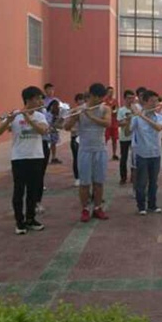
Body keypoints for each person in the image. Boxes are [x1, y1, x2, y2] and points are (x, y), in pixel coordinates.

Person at [0, 86, 48, 234]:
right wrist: (8, 121)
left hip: (36, 157)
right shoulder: (15, 115)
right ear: (29, 100)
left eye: (41, 99)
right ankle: (19, 222)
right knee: (19, 190)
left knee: (33, 191)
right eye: (38, 98)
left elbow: (43, 131)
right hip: (19, 158)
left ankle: (31, 219)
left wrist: (28, 119)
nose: (40, 101)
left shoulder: (40, 116)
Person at [64, 83, 111, 222]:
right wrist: (72, 116)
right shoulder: (80, 110)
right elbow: (66, 127)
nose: (101, 100)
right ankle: (85, 209)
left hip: (100, 149)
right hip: (84, 150)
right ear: (92, 96)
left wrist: (90, 116)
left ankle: (97, 208)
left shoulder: (105, 109)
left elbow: (107, 123)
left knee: (99, 182)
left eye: (102, 98)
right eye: (99, 97)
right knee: (84, 183)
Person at [127, 90, 162, 215]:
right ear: (145, 102)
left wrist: (142, 115)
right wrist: (129, 119)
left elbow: (158, 128)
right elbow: (127, 132)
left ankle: (152, 205)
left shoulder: (160, 117)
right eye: (152, 101)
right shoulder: (136, 118)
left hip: (155, 153)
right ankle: (141, 206)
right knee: (142, 182)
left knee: (153, 182)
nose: (155, 104)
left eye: (156, 101)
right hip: (141, 154)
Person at [117, 90, 136, 185]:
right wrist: (128, 120)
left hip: (134, 137)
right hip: (124, 137)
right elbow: (119, 123)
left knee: (134, 157)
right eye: (129, 98)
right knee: (123, 157)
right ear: (125, 99)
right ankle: (123, 177)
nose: (131, 100)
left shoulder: (136, 109)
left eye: (132, 98)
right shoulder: (121, 110)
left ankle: (133, 176)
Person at [70, 93, 85, 187]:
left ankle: (84, 176)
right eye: (79, 99)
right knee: (76, 158)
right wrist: (73, 129)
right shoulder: (73, 111)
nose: (81, 101)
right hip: (75, 137)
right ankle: (77, 177)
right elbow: (68, 125)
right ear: (76, 101)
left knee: (84, 158)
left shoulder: (86, 111)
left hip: (84, 137)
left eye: (82, 99)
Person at [104, 86, 120, 161]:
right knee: (105, 139)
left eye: (112, 92)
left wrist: (116, 111)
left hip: (114, 122)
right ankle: (104, 153)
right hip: (107, 122)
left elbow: (117, 109)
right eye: (110, 92)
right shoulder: (104, 101)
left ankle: (114, 154)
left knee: (115, 139)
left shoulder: (115, 101)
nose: (111, 93)